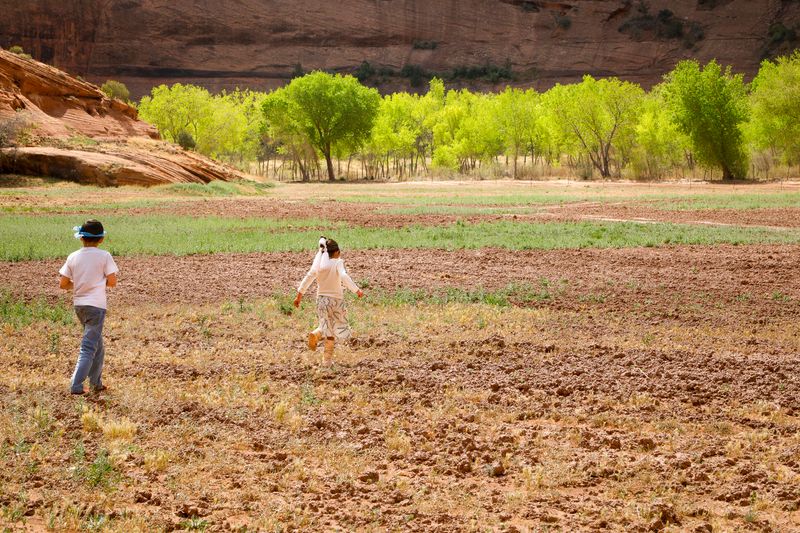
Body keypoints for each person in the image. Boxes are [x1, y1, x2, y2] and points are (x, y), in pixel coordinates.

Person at [59, 220, 119, 395]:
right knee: (88, 347)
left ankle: (96, 383)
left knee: (97, 345)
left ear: (81, 238)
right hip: (96, 306)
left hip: (80, 306)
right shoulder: (104, 256)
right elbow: (113, 282)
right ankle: (76, 386)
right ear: (101, 239)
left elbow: (63, 284)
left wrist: (80, 284)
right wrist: (98, 283)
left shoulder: (73, 256)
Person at [294, 237, 363, 366]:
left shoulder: (319, 266)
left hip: (321, 300)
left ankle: (318, 334)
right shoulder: (338, 262)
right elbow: (343, 276)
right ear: (336, 252)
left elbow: (309, 277)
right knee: (336, 329)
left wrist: (299, 295)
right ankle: (326, 360)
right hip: (335, 301)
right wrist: (356, 290)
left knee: (327, 327)